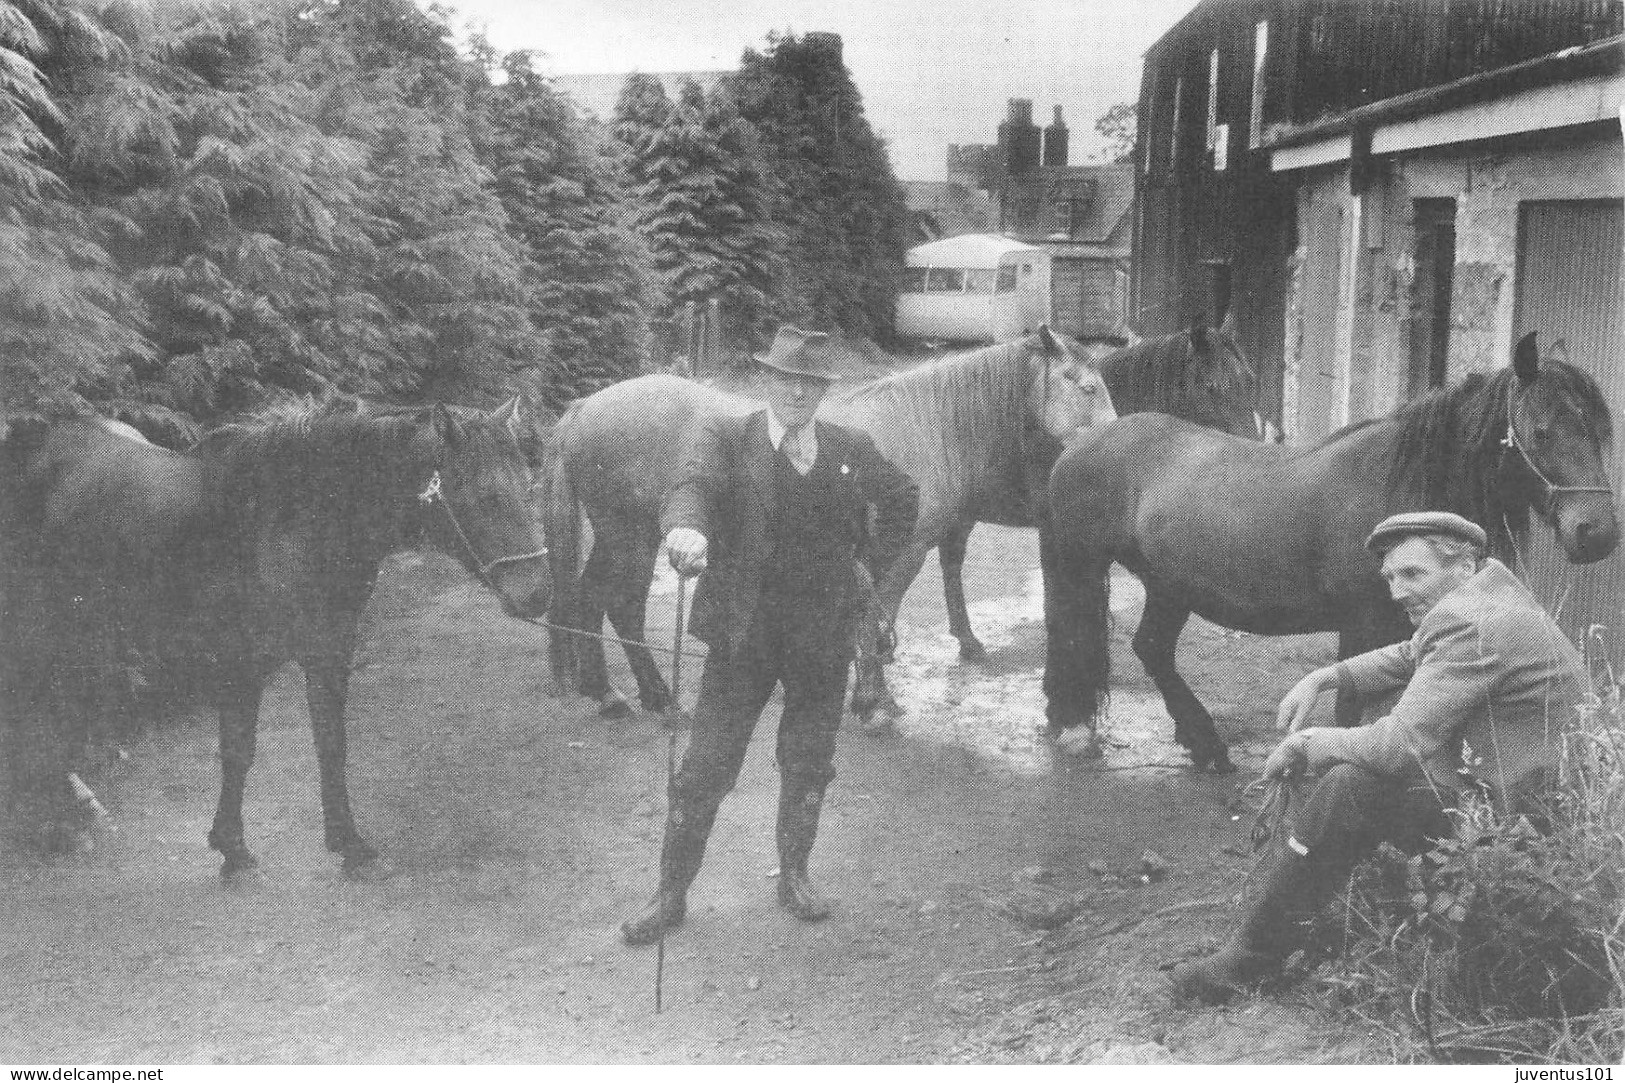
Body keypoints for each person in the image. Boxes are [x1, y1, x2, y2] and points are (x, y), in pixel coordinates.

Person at [1169, 510, 1589, 1002]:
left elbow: (1396, 747)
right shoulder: (1493, 599)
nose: (1397, 591)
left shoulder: (1470, 625)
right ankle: (1298, 916)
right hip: (1547, 799)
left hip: (1524, 823)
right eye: (1390, 577)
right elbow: (1412, 654)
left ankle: (1253, 958)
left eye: (1414, 573)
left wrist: (1308, 744)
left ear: (1464, 566)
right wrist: (1329, 676)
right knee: (1355, 773)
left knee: (1351, 786)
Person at [621, 326, 920, 946]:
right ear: (766, 382)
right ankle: (669, 894)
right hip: (743, 638)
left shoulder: (850, 447)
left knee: (809, 762)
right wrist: (685, 531)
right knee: (705, 766)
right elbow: (691, 487)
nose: (796, 395)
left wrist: (868, 566)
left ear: (822, 392)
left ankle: (795, 876)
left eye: (810, 384)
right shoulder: (728, 440)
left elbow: (905, 499)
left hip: (822, 639)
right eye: (785, 381)